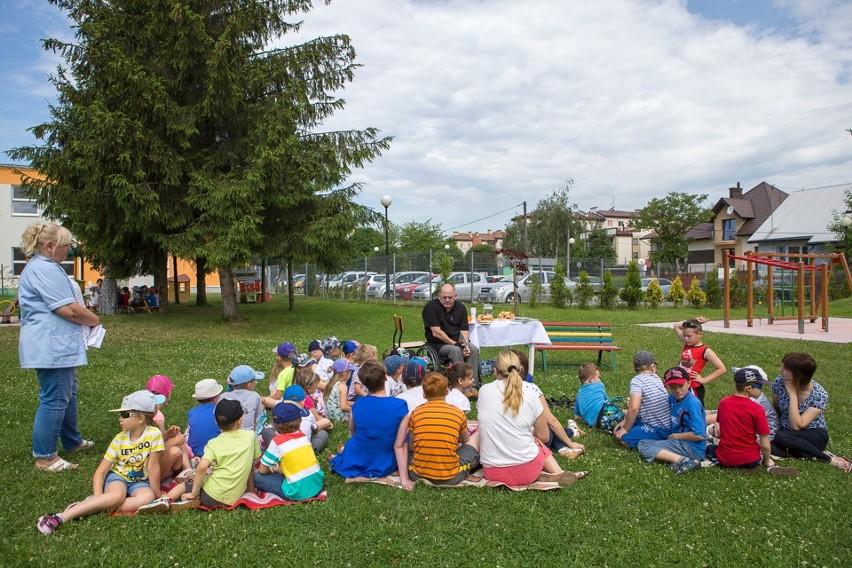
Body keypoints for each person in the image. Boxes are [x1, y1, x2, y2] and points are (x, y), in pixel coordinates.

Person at [19, 222, 101, 472]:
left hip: (57, 345)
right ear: (49, 246)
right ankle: (45, 457)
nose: (69, 250)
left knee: (67, 393)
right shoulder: (44, 269)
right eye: (66, 245)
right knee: (54, 398)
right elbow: (69, 309)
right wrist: (95, 320)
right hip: (51, 346)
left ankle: (72, 440)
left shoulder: (43, 267)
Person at [36, 391, 165, 534]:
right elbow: (101, 471)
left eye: (124, 414)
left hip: (139, 481)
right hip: (118, 477)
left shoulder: (154, 434)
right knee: (117, 495)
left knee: (147, 498)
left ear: (140, 418)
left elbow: (153, 466)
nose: (119, 419)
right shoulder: (119, 439)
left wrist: (157, 493)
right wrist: (98, 495)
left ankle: (92, 505)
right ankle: (60, 517)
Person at [477, 350, 585, 486]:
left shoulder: (484, 390)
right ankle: (558, 472)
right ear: (520, 369)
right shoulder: (530, 392)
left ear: (495, 371)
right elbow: (545, 437)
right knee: (538, 442)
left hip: (493, 473)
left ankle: (550, 474)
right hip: (528, 470)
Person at [158, 399, 261, 510]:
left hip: (211, 496)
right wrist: (251, 489)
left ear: (216, 422)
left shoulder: (214, 443)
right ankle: (193, 500)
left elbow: (202, 466)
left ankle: (166, 499)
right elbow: (250, 463)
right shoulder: (251, 436)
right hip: (235, 497)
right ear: (240, 420)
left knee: (189, 483)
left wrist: (194, 492)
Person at [395, 372, 481, 490]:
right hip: (451, 476)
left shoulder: (416, 413)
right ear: (447, 391)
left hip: (417, 474)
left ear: (424, 394)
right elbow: (465, 441)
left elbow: (411, 446)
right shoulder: (457, 413)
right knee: (477, 436)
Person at [770, 352, 851, 472]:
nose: (781, 370)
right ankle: (812, 453)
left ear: (797, 375)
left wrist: (792, 396)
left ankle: (828, 459)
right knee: (769, 445)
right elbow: (776, 410)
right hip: (787, 433)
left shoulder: (819, 394)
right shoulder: (779, 382)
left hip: (812, 434)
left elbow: (797, 426)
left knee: (781, 437)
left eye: (785, 368)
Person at [710, 366, 798, 476]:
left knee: (710, 448)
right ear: (749, 388)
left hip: (725, 459)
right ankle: (769, 466)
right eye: (759, 386)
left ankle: (736, 467)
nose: (761, 389)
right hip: (749, 458)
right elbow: (765, 445)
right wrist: (766, 460)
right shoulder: (757, 409)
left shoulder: (723, 403)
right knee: (760, 456)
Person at [329, 360, 410, 479]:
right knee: (405, 436)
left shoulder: (357, 404)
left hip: (356, 457)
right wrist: (405, 479)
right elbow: (400, 445)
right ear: (385, 377)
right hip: (384, 462)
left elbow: (353, 433)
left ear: (363, 382)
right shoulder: (400, 405)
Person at [637, 367, 706, 475]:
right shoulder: (673, 398)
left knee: (643, 445)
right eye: (673, 387)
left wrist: (676, 436)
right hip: (680, 443)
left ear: (689, 383)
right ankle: (676, 460)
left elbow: (699, 434)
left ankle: (686, 461)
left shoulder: (692, 403)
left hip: (692, 448)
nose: (678, 390)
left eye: (681, 386)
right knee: (646, 440)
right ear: (668, 387)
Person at [254, 402, 326, 501]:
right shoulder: (303, 436)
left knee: (257, 477)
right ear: (300, 421)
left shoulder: (277, 441)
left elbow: (263, 470)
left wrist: (271, 470)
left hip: (296, 492)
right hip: (317, 485)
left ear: (274, 425)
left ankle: (293, 492)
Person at [422, 283, 481, 385]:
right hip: (438, 344)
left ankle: (472, 385)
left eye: (450, 297)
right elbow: (436, 332)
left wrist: (465, 345)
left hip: (457, 341)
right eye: (444, 297)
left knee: (473, 349)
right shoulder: (430, 307)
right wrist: (455, 344)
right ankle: (458, 385)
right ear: (438, 296)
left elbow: (464, 330)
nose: (447, 300)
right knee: (456, 350)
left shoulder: (461, 307)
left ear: (455, 296)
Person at [614, 351, 670, 449]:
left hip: (658, 428)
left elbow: (634, 407)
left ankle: (657, 442)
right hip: (666, 423)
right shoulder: (657, 378)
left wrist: (626, 429)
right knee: (620, 428)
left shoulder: (637, 381)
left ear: (635, 368)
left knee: (624, 438)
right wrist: (626, 422)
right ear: (653, 367)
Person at [674, 317, 727, 406]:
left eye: (689, 336)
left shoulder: (705, 350)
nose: (686, 338)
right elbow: (676, 326)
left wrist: (704, 380)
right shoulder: (688, 344)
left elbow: (722, 369)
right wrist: (695, 321)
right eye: (685, 335)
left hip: (693, 388)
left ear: (699, 334)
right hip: (681, 385)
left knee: (695, 412)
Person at [574, 362, 625, 433]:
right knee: (624, 416)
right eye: (598, 377)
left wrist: (585, 419)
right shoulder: (599, 384)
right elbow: (607, 400)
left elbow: (577, 416)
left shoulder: (579, 394)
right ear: (591, 379)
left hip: (597, 424)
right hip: (605, 410)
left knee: (612, 425)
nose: (600, 379)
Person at [281, 385, 332, 453]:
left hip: (282, 448)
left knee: (268, 431)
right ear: (302, 402)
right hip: (302, 451)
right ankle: (310, 452)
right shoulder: (307, 414)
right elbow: (315, 429)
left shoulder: (278, 411)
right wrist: (326, 422)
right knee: (323, 433)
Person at [220, 365, 265, 433]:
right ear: (249, 385)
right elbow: (257, 420)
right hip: (248, 437)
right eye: (255, 381)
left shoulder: (222, 397)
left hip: (226, 435)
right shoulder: (255, 396)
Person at [186, 378, 224, 458]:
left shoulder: (192, 412)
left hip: (194, 453)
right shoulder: (219, 411)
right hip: (214, 453)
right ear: (214, 398)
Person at [262, 342, 296, 409]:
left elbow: (278, 396)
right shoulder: (296, 367)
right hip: (298, 398)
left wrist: (268, 398)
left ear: (279, 358)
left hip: (287, 402)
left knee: (263, 400)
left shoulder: (283, 374)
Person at [324, 358, 355, 422]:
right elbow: (343, 407)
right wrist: (356, 411)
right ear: (345, 373)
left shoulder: (331, 383)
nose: (350, 374)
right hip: (339, 418)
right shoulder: (343, 387)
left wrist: (355, 404)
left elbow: (341, 401)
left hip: (330, 416)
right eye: (350, 372)